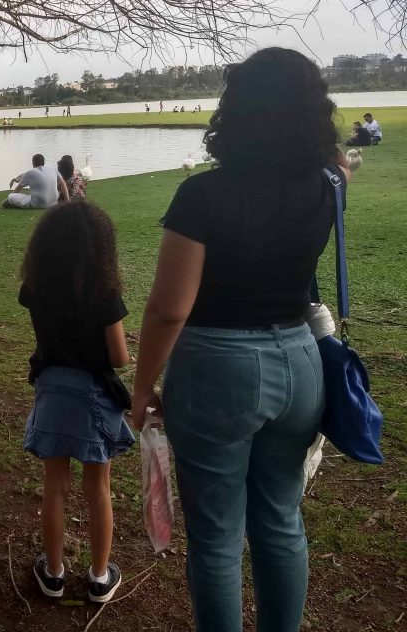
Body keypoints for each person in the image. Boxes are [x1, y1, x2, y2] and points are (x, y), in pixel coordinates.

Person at [132, 48, 350, 632]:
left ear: (236, 109)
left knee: (217, 539)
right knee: (280, 520)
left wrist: (142, 384)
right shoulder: (329, 186)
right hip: (301, 361)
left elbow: (168, 310)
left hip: (217, 370)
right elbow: (338, 168)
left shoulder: (202, 197)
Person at [19, 202, 133, 603]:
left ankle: (53, 574)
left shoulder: (34, 287)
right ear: (101, 247)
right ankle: (100, 578)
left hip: (51, 390)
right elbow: (119, 357)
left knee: (54, 487)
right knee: (98, 488)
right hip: (93, 395)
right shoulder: (105, 293)